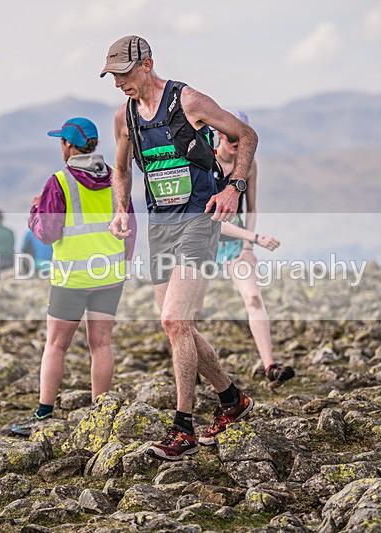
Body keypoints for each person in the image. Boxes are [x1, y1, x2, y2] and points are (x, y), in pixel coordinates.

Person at [101, 35, 258, 460]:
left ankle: (183, 427)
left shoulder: (188, 101)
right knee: (179, 327)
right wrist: (121, 209)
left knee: (174, 321)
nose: (119, 84)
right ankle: (232, 400)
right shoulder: (125, 117)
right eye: (112, 77)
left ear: (147, 64)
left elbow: (245, 134)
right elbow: (119, 168)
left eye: (124, 74)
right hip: (161, 226)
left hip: (199, 219)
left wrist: (234, 188)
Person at [10, 117, 136, 437]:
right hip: (110, 274)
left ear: (67, 144)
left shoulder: (60, 181)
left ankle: (43, 414)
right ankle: (100, 413)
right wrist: (122, 264)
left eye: (61, 142)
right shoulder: (117, 177)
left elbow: (48, 235)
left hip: (71, 278)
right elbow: (130, 226)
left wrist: (34, 214)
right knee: (101, 343)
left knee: (56, 345)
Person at [202, 110, 295, 383]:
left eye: (241, 136)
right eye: (231, 136)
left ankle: (270, 366)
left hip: (236, 240)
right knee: (191, 311)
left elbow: (251, 208)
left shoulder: (249, 165)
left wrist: (247, 246)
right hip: (203, 239)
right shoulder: (206, 163)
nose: (236, 142)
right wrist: (255, 239)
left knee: (253, 298)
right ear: (219, 133)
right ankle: (194, 367)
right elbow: (209, 219)